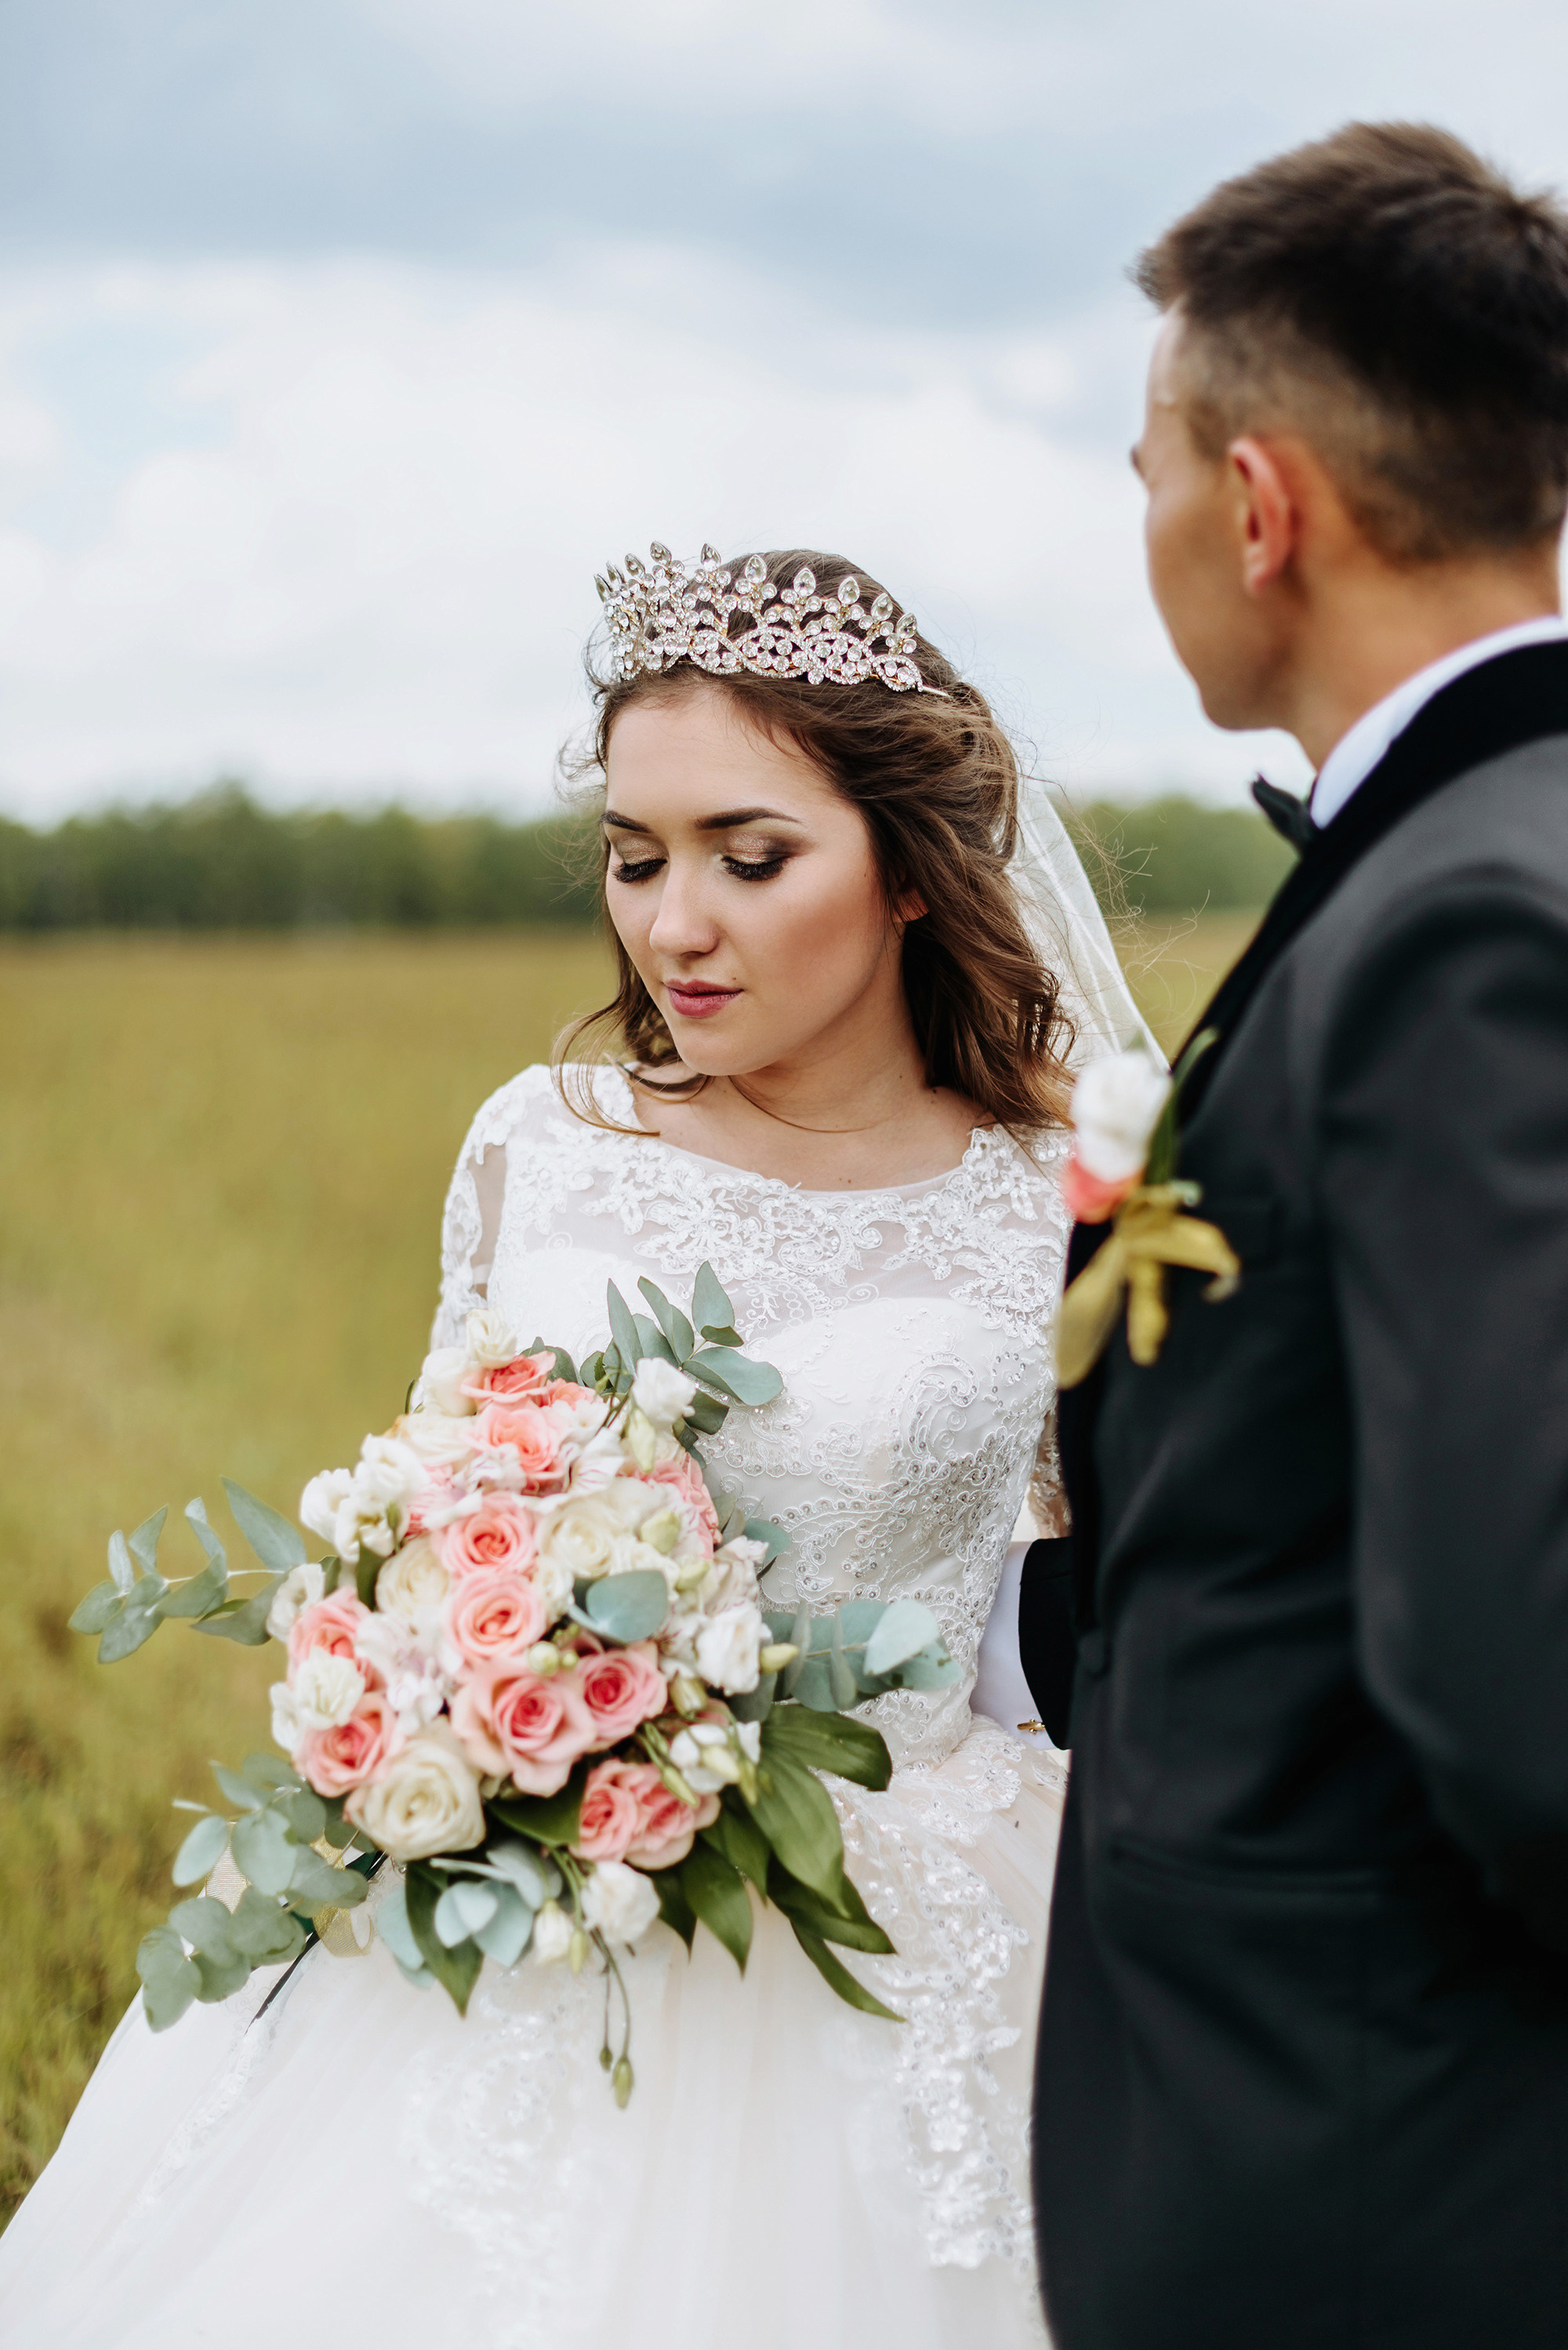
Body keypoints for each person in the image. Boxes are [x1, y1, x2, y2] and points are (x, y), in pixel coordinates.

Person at [0, 543, 1145, 2349]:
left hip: (926, 1921)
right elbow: (448, 1493)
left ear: (911, 872)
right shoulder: (547, 1138)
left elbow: (1094, 1590)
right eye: (634, 854)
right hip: (525, 1888)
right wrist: (428, 1667)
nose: (673, 923)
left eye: (748, 858)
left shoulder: (1045, 1194)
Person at [1031, 123, 1568, 2348]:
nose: (1145, 515)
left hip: (1371, 2181)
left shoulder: (1467, 931)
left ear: (1262, 504)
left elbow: (1519, 1664)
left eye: (1147, 457)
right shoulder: (1488, 850)